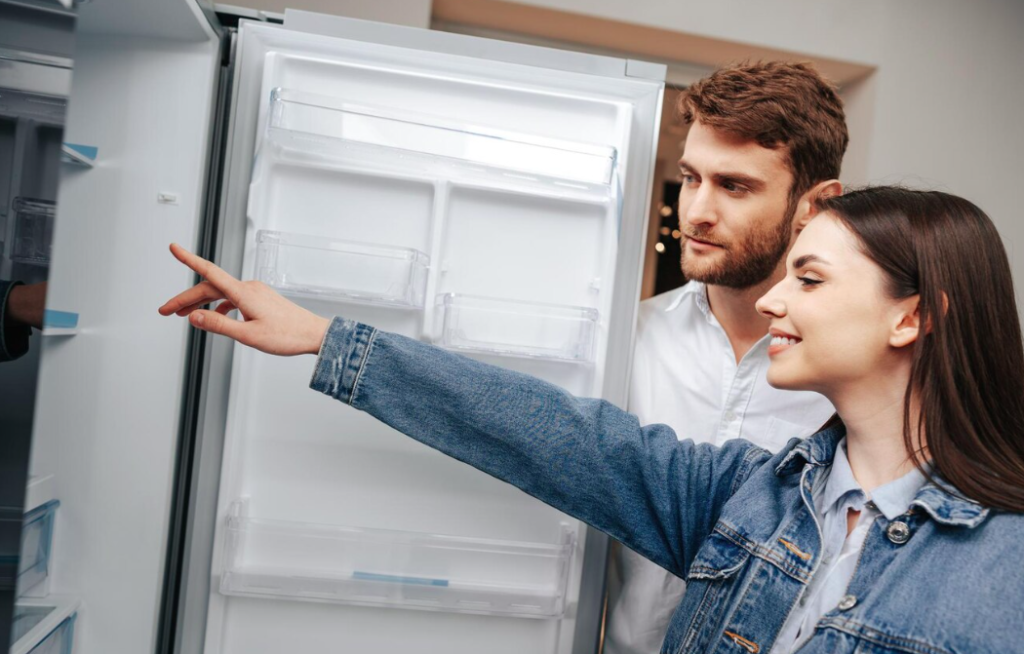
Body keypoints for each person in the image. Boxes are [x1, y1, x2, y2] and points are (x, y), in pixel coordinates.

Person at [160, 184, 1024, 653]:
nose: (770, 301)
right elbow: (550, 432)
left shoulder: (1006, 563)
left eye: (810, 278)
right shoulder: (749, 498)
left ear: (912, 317)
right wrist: (325, 338)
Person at [611, 62, 844, 653]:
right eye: (691, 178)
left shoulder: (851, 373)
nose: (696, 212)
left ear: (814, 206)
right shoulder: (626, 339)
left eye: (734, 186)